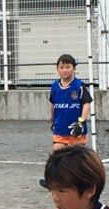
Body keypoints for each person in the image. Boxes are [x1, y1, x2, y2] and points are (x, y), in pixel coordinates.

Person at [38, 54, 92, 189]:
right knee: (57, 155)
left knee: (77, 158)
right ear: (57, 69)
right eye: (62, 67)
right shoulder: (55, 87)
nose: (65, 70)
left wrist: (81, 121)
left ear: (74, 69)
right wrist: (52, 119)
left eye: (68, 67)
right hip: (60, 129)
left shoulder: (79, 86)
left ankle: (82, 181)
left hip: (75, 130)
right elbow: (53, 104)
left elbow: (86, 104)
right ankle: (52, 180)